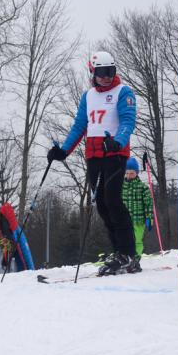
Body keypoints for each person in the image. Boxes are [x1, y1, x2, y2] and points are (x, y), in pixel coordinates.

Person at [47, 51, 139, 275]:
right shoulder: (87, 96)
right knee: (102, 206)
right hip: (93, 156)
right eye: (101, 73)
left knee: (113, 200)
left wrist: (117, 142)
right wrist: (63, 151)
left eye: (111, 71)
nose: (107, 77)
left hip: (114, 155)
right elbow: (80, 126)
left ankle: (129, 253)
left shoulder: (123, 92)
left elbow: (128, 121)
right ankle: (119, 251)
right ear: (93, 72)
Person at [122, 157, 153, 262]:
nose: (129, 176)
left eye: (132, 173)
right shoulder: (121, 187)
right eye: (127, 173)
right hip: (124, 219)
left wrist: (149, 218)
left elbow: (148, 204)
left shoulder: (142, 187)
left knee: (137, 240)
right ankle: (125, 257)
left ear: (136, 173)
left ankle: (136, 257)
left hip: (138, 220)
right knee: (124, 239)